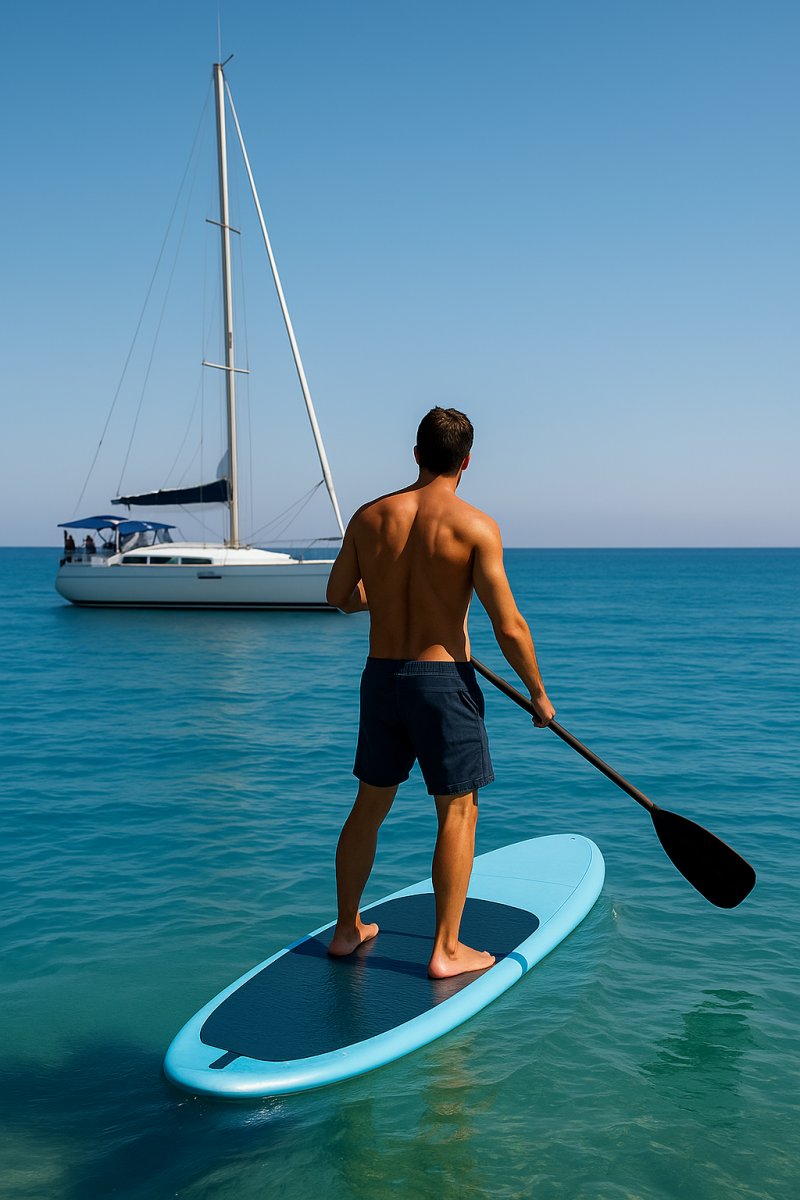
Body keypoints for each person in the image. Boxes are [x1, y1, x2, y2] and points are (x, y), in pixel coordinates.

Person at [326, 406, 556, 979]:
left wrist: (390, 593)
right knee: (457, 812)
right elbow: (509, 626)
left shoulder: (369, 516)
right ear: (468, 461)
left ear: (415, 453)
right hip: (441, 681)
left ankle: (347, 928)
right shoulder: (474, 525)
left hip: (381, 678)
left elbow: (339, 595)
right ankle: (447, 949)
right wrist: (538, 694)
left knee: (369, 806)